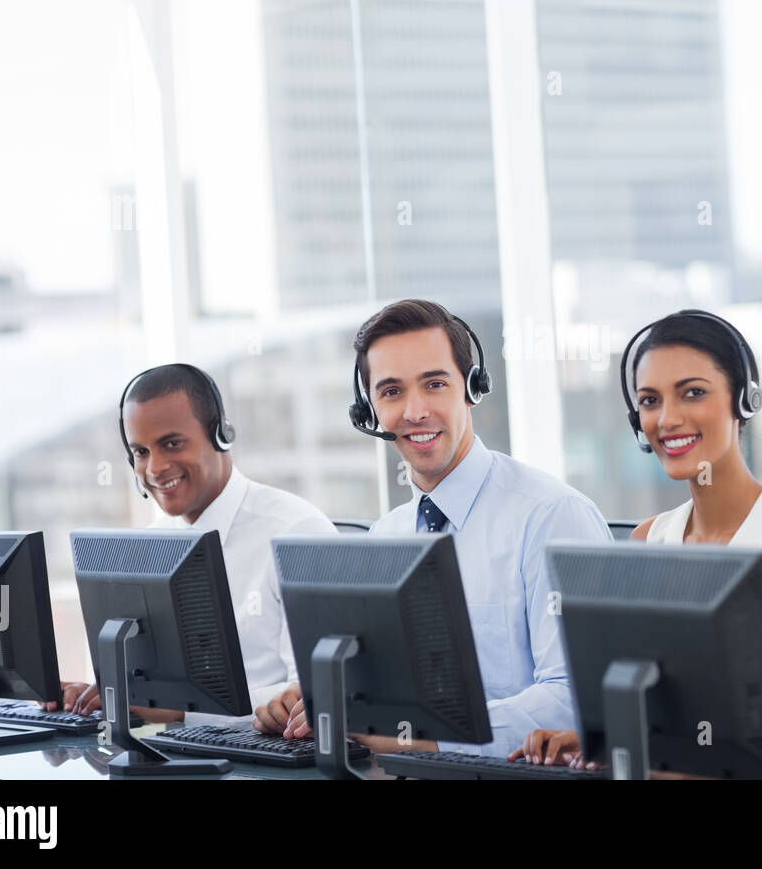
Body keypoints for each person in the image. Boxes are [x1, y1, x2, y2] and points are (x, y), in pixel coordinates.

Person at [511, 310, 762, 777]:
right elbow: (661, 725)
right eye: (649, 400)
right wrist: (592, 742)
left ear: (743, 400)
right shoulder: (647, 541)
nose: (667, 419)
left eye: (693, 393)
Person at [253, 300, 611, 757]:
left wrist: (426, 741)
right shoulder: (385, 538)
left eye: (434, 384)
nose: (415, 411)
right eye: (391, 391)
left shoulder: (552, 516)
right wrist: (307, 699)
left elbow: (576, 698)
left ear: (472, 388)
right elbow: (374, 691)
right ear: (371, 411)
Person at [49, 363, 336, 722]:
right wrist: (92, 696)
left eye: (172, 444)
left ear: (221, 435)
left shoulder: (296, 531)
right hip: (172, 759)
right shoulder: (150, 548)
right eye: (141, 452)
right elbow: (140, 686)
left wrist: (178, 711)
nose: (155, 467)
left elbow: (316, 696)